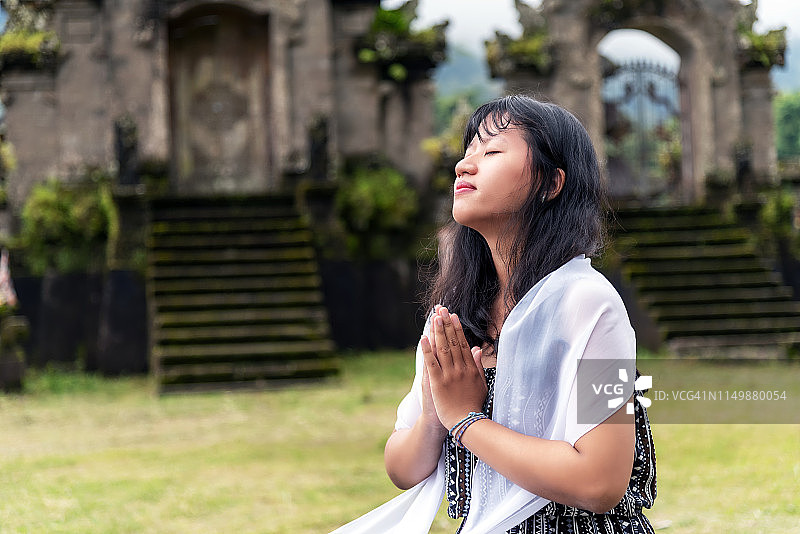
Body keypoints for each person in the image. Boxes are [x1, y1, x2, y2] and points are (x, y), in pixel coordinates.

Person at [332, 95, 656, 534]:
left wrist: (466, 420)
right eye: (466, 155)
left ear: (550, 182)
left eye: (492, 151)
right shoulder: (457, 314)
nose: (463, 167)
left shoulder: (591, 304)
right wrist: (435, 414)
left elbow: (600, 481)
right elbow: (402, 467)